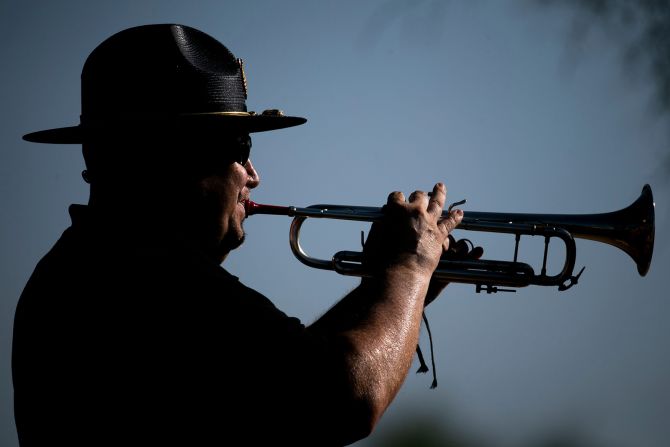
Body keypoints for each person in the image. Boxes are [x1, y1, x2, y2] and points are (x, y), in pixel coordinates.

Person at [13, 24, 481, 446]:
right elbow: (343, 399)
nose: (252, 175)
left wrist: (389, 294)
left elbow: (289, 382)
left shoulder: (89, 264)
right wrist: (408, 271)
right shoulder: (146, 277)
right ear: (172, 159)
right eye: (240, 149)